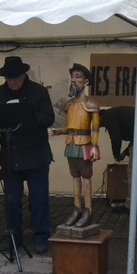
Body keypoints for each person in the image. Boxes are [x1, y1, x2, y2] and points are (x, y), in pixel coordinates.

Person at [0, 56, 54, 254]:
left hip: (36, 154)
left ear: (24, 74)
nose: (12, 81)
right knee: (11, 200)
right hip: (11, 155)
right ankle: (13, 237)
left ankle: (41, 237)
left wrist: (26, 115)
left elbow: (49, 118)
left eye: (16, 77)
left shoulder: (39, 91)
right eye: (9, 78)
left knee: (39, 199)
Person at [49, 64, 100, 228]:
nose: (73, 80)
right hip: (71, 144)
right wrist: (59, 132)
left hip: (85, 143)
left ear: (85, 82)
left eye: (78, 77)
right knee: (75, 177)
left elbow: (95, 128)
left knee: (86, 178)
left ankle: (88, 210)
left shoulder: (91, 104)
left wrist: (94, 146)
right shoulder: (68, 105)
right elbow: (69, 127)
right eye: (72, 77)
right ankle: (76, 208)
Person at [99, 106, 137, 213]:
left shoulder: (108, 117)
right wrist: (125, 153)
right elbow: (135, 137)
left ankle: (130, 205)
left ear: (99, 117)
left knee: (133, 171)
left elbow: (116, 138)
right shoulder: (116, 113)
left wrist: (116, 154)